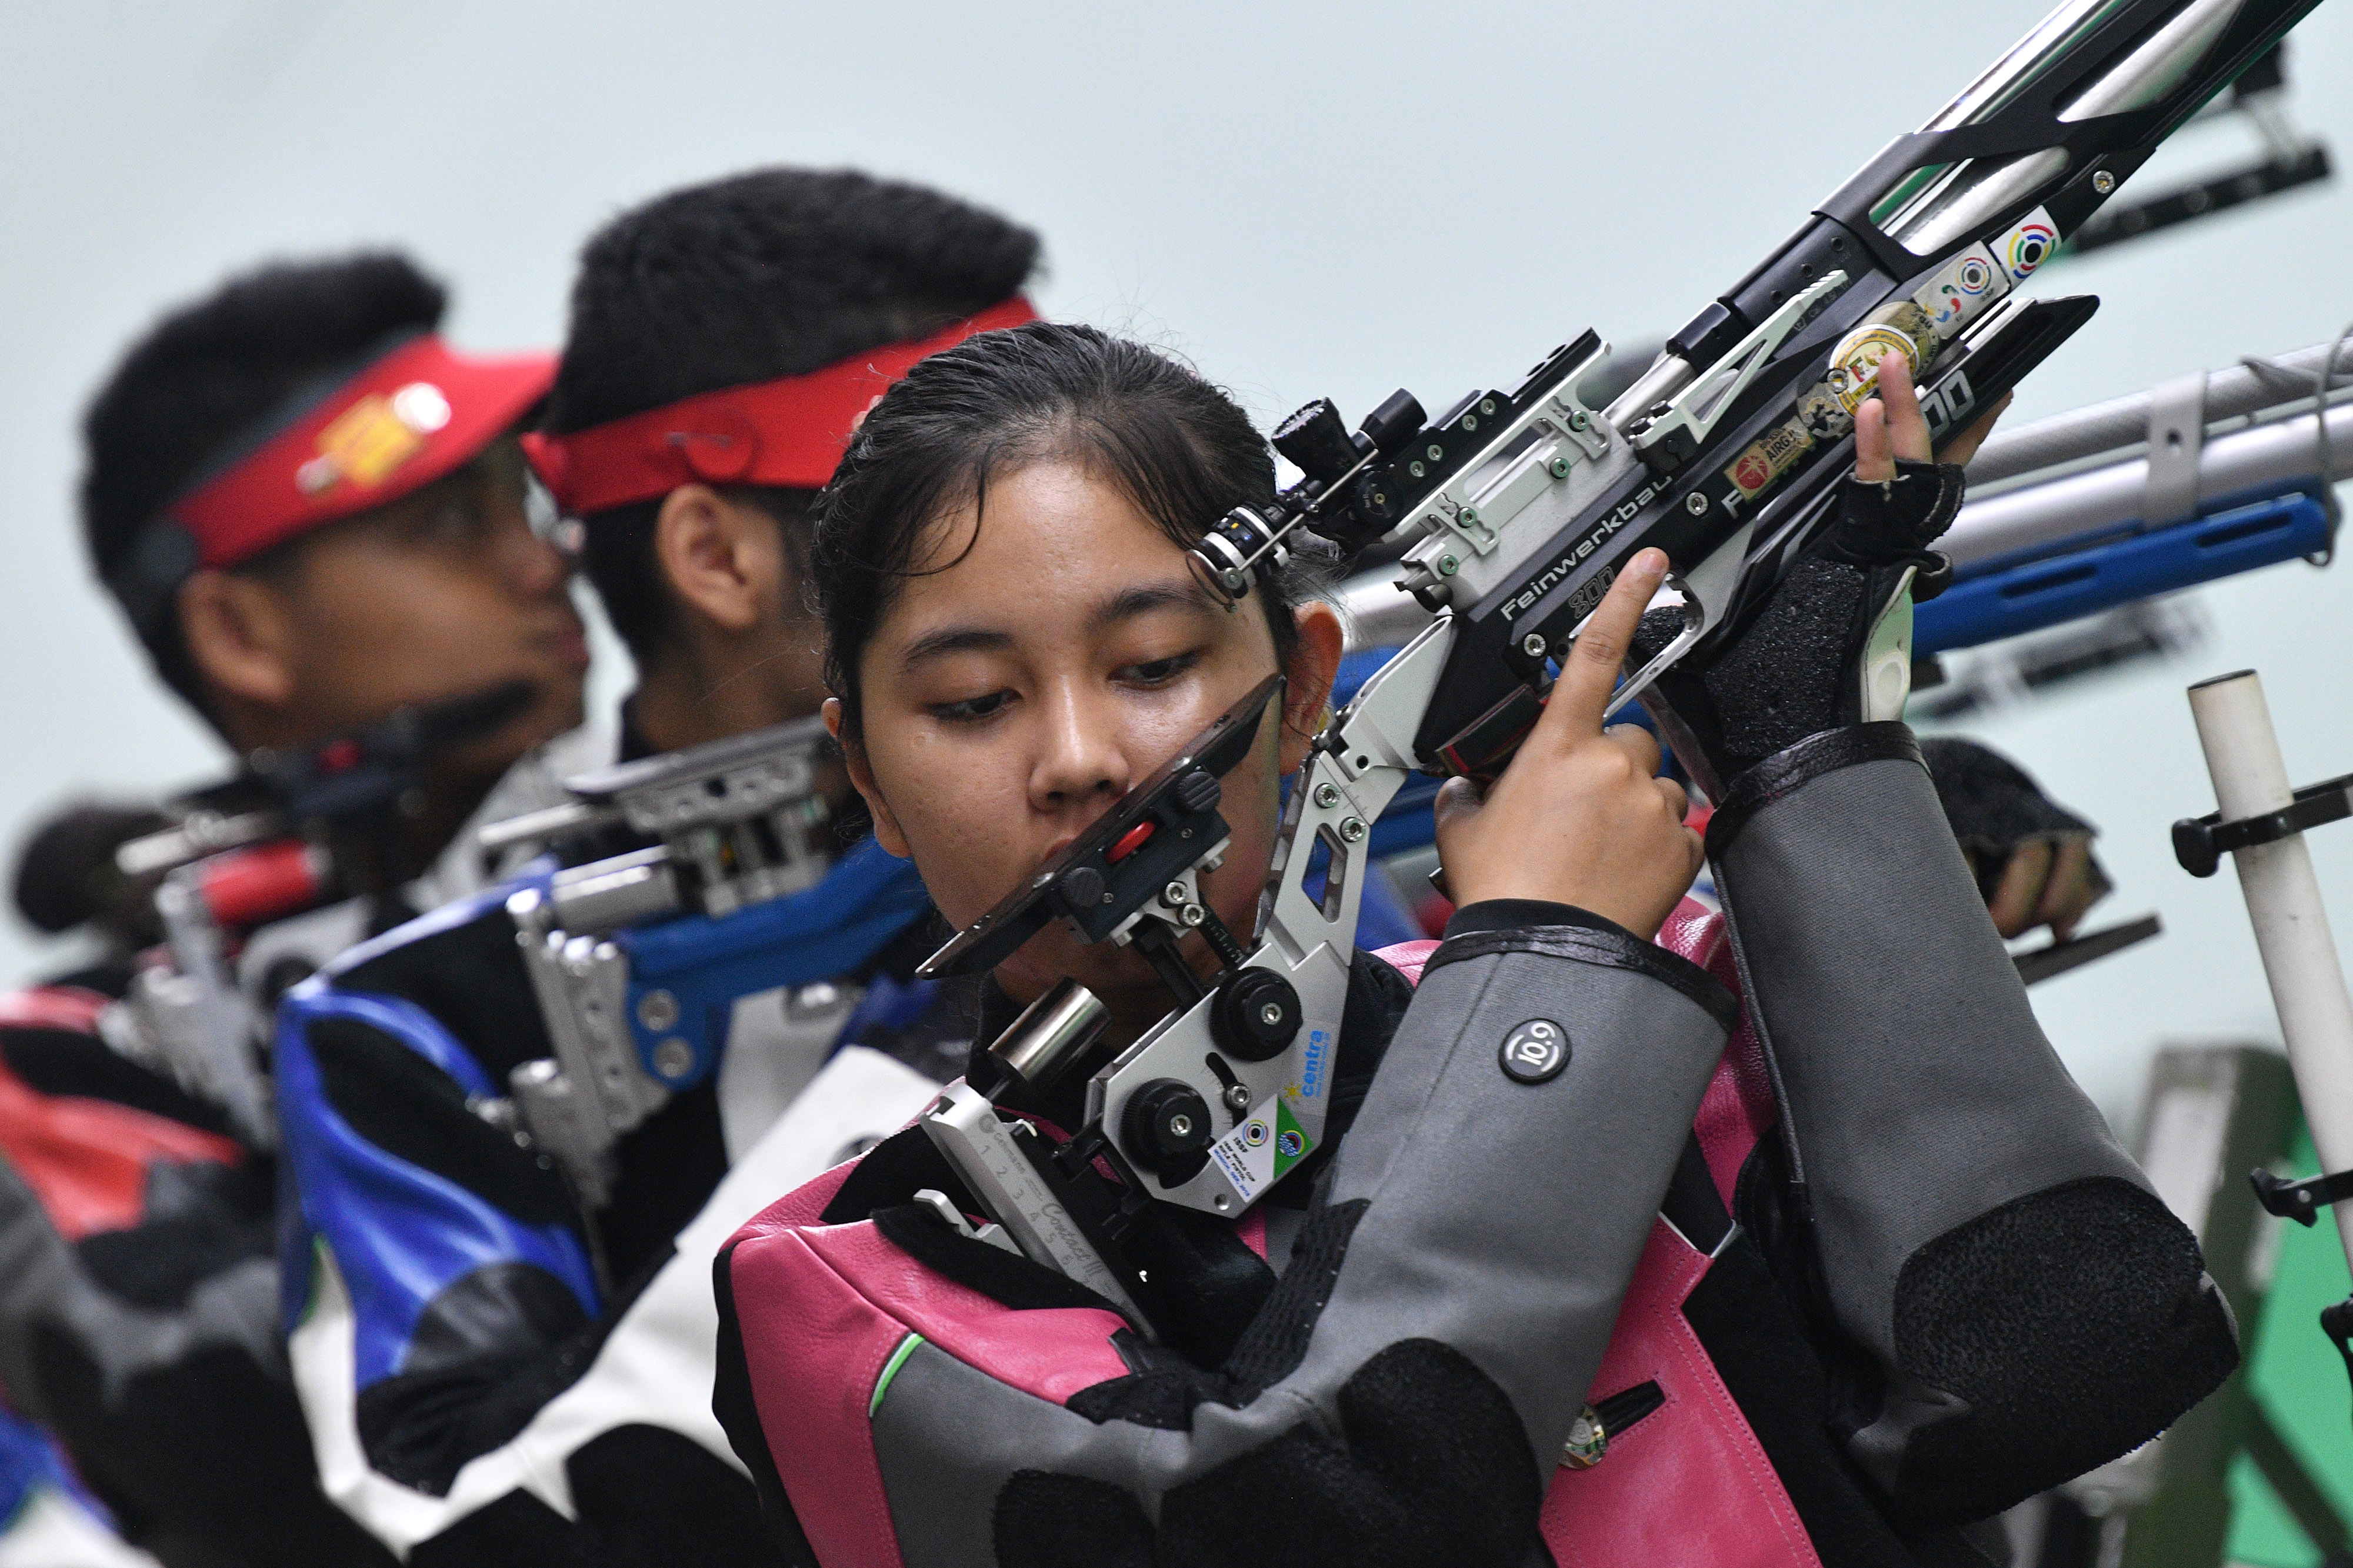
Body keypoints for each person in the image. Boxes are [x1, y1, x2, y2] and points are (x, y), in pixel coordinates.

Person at [712, 325, 2239, 1567]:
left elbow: (2067, 1358)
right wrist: (1540, 976)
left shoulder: (1659, 996)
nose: (1077, 759)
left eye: (1156, 664)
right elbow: (1331, 1528)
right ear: (868, 779)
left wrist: (1803, 741)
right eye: (974, 701)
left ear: (1307, 685)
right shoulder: (857, 1278)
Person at [270, 168, 1042, 1566]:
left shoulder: (1225, 766)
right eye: (962, 489)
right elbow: (475, 1513)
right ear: (714, 552)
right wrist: (932, 1104)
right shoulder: (420, 1028)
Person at [0, 251, 588, 1568]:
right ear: (240, 634)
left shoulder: (706, 826)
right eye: (448, 521)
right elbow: (312, 1480)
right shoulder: (59, 1069)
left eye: (524, 496)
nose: (542, 561)